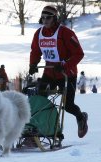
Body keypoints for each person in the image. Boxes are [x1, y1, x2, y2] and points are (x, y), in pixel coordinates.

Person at [28, 5, 88, 138]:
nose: (45, 20)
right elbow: (35, 51)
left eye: (48, 17)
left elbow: (79, 53)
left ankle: (81, 117)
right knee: (39, 101)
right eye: (43, 18)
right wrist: (33, 64)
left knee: (68, 106)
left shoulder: (66, 33)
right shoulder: (39, 34)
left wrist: (65, 65)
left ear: (54, 18)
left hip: (67, 74)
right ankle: (41, 129)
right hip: (49, 73)